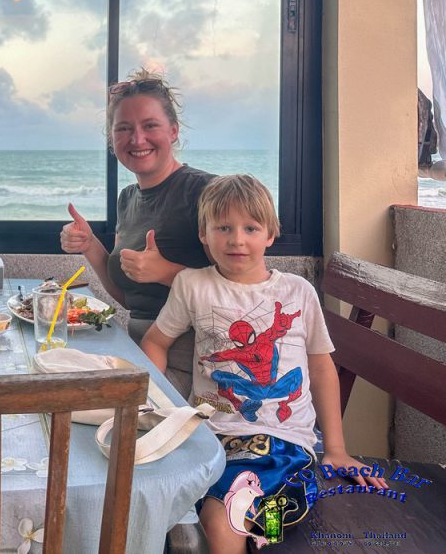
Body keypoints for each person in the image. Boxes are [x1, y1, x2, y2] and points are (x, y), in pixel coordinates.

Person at [140, 175, 386, 553]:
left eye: (250, 228)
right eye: (223, 228)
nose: (236, 240)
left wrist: (335, 448)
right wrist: (162, 407)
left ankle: (263, 524)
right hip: (206, 437)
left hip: (279, 444)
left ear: (271, 234)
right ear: (204, 234)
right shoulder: (192, 285)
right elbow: (156, 342)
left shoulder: (297, 291)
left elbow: (321, 369)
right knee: (154, 500)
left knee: (223, 518)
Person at [60, 69, 214, 396]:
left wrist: (167, 272)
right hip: (137, 348)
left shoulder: (206, 191)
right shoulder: (128, 198)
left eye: (150, 126)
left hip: (195, 362)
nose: (137, 139)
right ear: (112, 139)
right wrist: (90, 244)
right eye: (124, 129)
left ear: (173, 131)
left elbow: (244, 290)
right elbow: (128, 297)